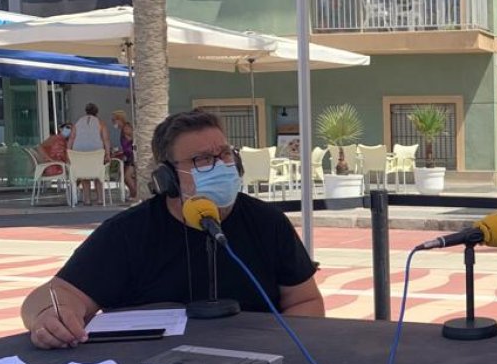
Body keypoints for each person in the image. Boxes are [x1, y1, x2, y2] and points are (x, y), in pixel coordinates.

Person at [20, 109, 324, 349]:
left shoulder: (267, 222)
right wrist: (50, 317)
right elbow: (51, 296)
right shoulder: (128, 233)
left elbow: (306, 300)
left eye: (225, 154)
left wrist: (279, 349)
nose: (220, 165)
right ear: (167, 177)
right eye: (202, 159)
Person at [69, 102, 111, 206]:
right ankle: (100, 199)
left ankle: (87, 200)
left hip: (79, 153)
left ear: (86, 111)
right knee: (98, 174)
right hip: (96, 152)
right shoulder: (101, 123)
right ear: (96, 112)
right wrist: (108, 154)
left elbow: (71, 138)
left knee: (84, 175)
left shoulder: (78, 122)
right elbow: (106, 139)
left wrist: (68, 153)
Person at [110, 109, 137, 200]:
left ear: (119, 119)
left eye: (114, 120)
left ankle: (135, 194)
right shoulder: (123, 130)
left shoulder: (126, 128)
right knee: (127, 177)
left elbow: (136, 139)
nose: (113, 123)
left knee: (127, 177)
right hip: (129, 156)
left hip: (133, 156)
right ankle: (133, 194)